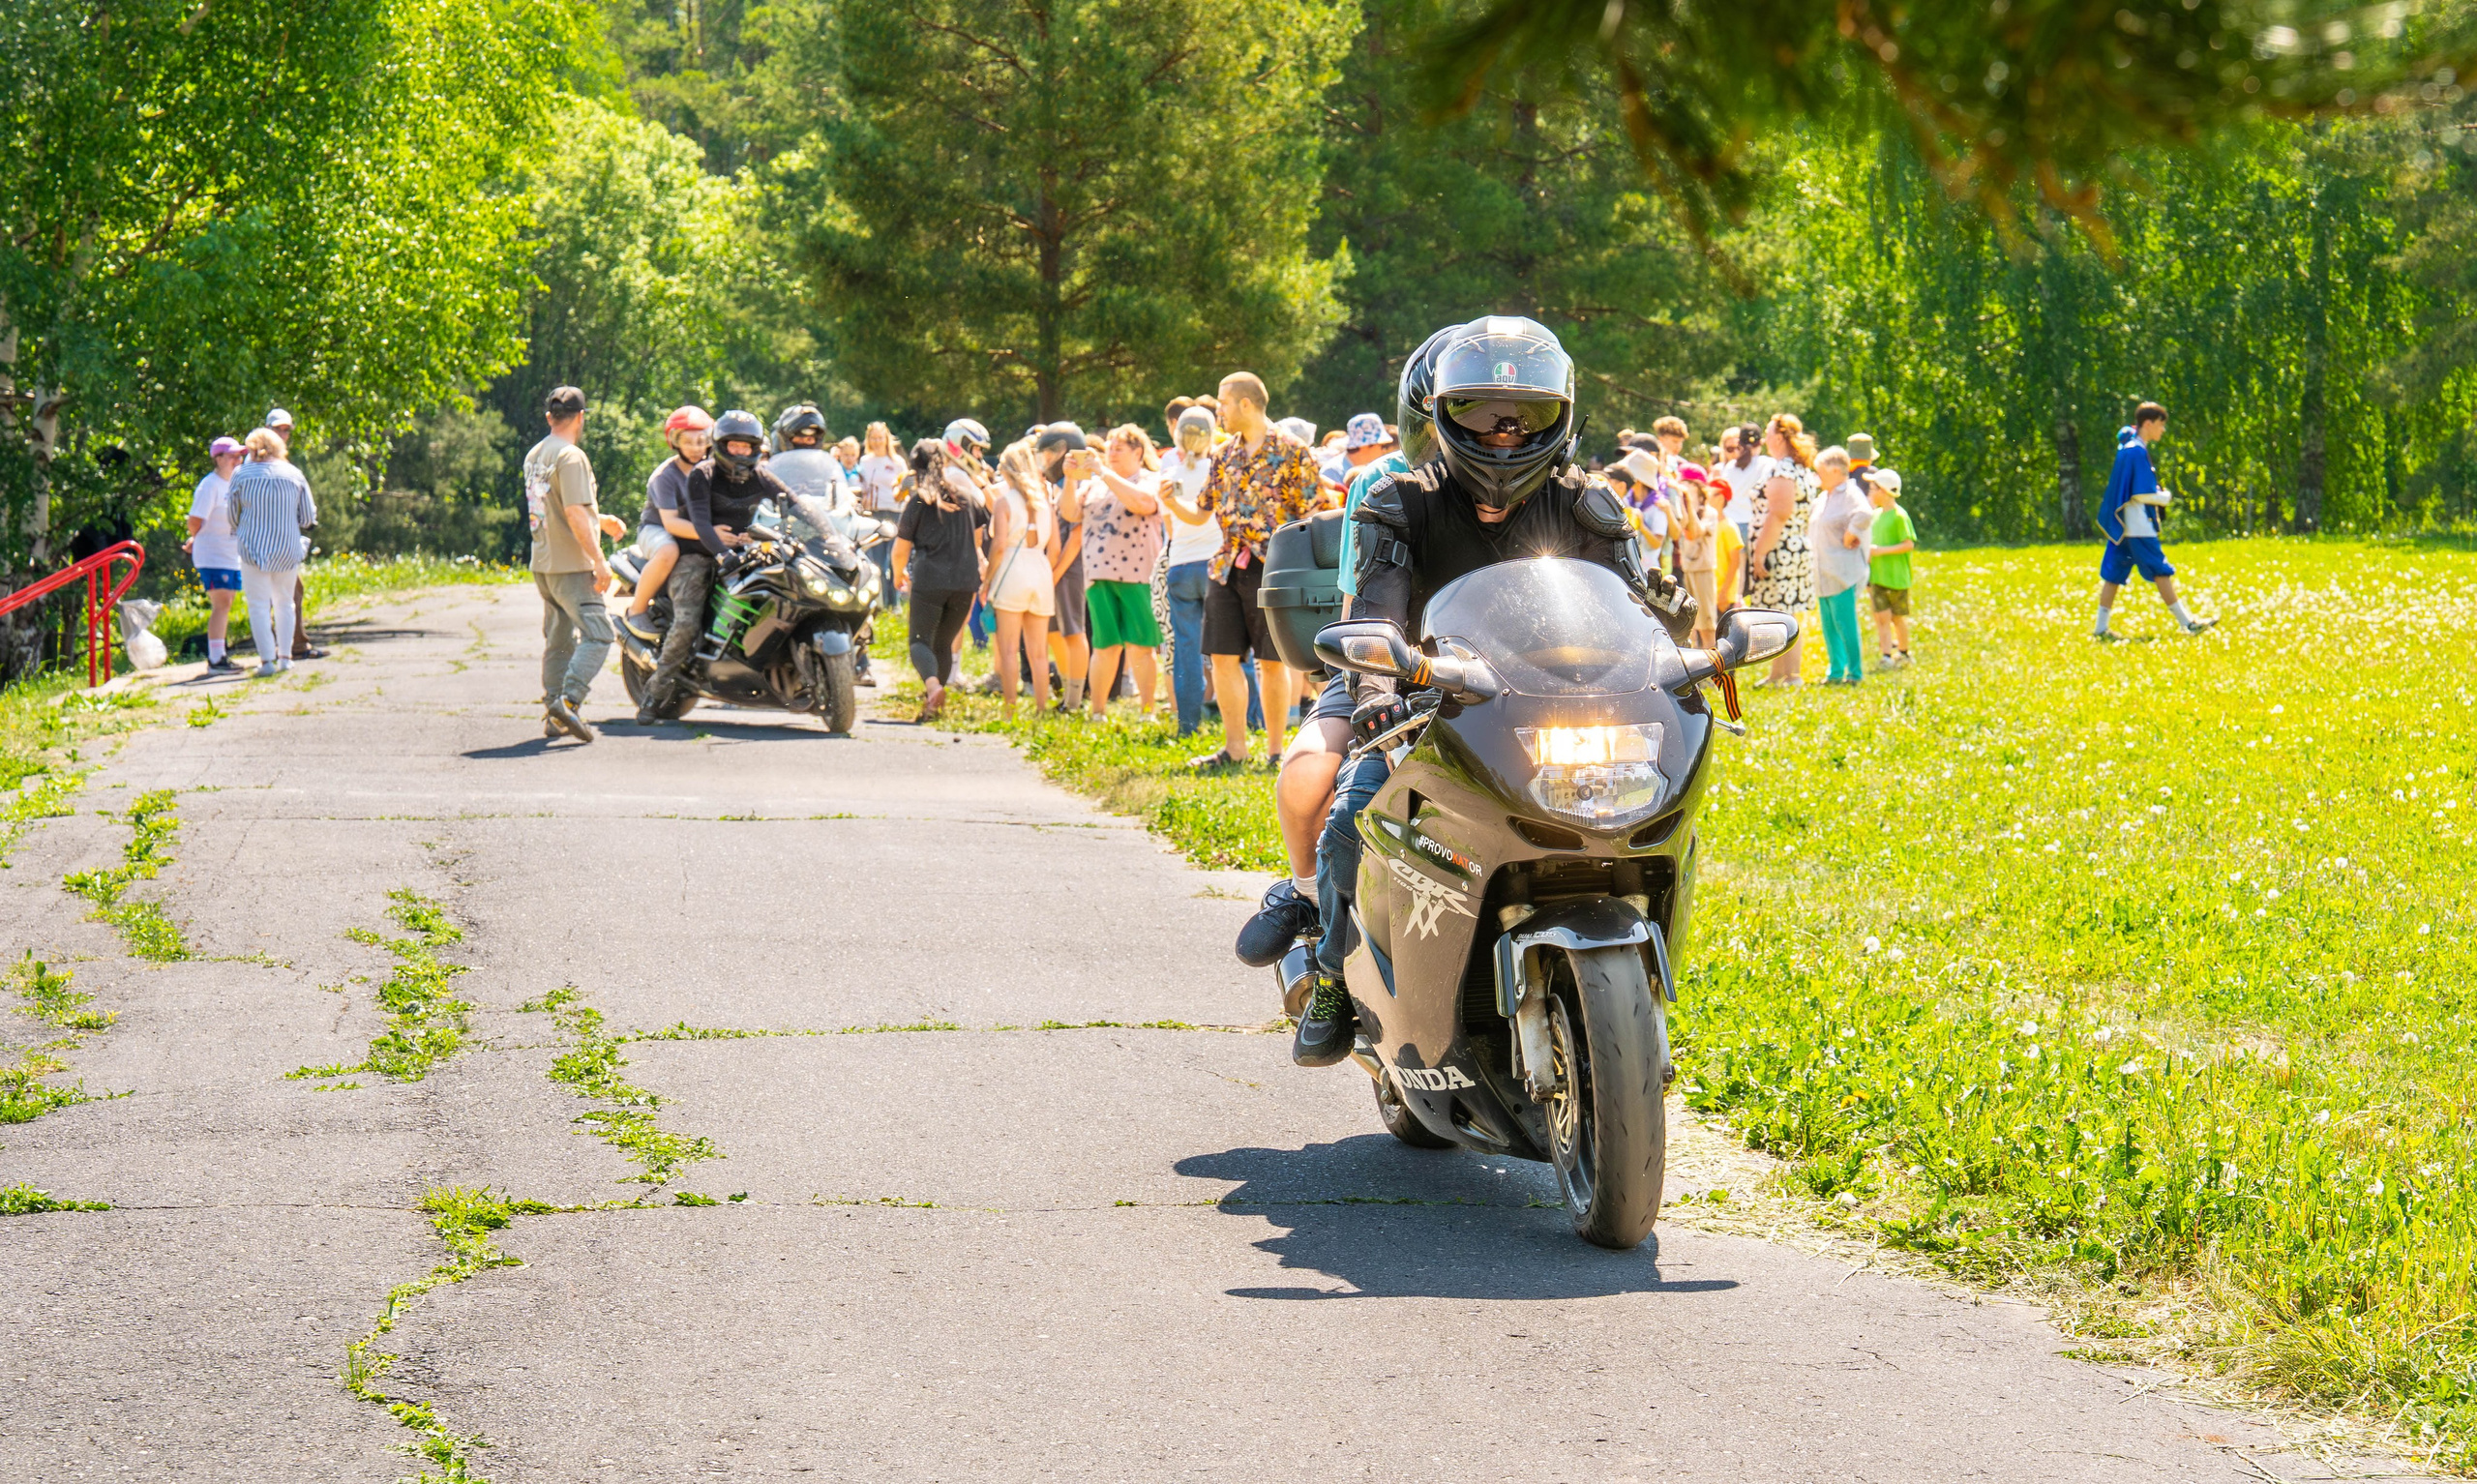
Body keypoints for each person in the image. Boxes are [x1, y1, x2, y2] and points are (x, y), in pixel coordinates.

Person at [1287, 315, 1695, 1067]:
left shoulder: (1588, 502)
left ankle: (1635, 998)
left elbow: (1638, 598)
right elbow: (1375, 606)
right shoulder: (1401, 500)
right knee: (1352, 814)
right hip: (1433, 697)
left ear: (1560, 417)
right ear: (1441, 415)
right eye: (1480, 415)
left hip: (1553, 701)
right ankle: (1332, 979)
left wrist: (1684, 642)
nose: (1504, 435)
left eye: (1525, 418)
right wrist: (1378, 682)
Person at [1237, 358, 1432, 972]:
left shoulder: (1555, 489)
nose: (1498, 432)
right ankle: (1305, 897)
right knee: (1302, 778)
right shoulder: (1381, 482)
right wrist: (1371, 677)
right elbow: (1359, 604)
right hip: (1388, 671)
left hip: (1499, 680)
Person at [1157, 371, 1321, 772]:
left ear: (1246, 404)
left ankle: (1275, 751)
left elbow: (1315, 512)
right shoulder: (1223, 454)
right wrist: (1172, 505)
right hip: (1227, 566)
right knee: (1223, 657)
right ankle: (1234, 749)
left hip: (1276, 569)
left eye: (1223, 402)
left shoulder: (1293, 451)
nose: (1218, 410)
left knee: (1271, 662)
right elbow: (1201, 512)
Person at [639, 409, 787, 724]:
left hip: (740, 550)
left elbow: (790, 501)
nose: (740, 452)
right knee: (687, 622)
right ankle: (655, 692)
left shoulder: (751, 473)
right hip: (694, 553)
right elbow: (693, 524)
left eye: (746, 446)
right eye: (733, 445)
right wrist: (718, 545)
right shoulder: (693, 475)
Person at [522, 386, 615, 742]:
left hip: (544, 563)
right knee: (600, 634)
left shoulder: (535, 455)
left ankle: (553, 714)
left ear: (549, 417)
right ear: (581, 417)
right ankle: (569, 702)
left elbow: (556, 509)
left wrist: (601, 520)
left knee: (559, 640)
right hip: (572, 566)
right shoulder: (572, 456)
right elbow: (574, 513)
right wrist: (599, 560)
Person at [2094, 402, 2215, 638]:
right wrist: (2163, 497)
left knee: (2114, 574)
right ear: (2148, 423)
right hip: (2138, 526)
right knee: (2161, 571)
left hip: (2124, 526)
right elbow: (2138, 493)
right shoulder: (2136, 450)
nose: (2163, 430)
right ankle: (2187, 623)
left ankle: (2100, 628)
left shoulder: (2128, 448)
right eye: (2160, 425)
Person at [891, 437, 989, 721]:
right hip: (965, 581)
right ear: (944, 462)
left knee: (920, 642)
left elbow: (900, 549)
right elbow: (979, 536)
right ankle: (933, 705)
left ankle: (933, 687)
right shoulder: (968, 497)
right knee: (944, 643)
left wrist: (898, 574)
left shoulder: (920, 500)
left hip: (930, 580)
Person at [1075, 426, 1166, 718]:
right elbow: (1068, 513)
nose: (1111, 453)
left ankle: (1147, 711)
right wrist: (1068, 480)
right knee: (1104, 646)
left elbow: (1143, 503)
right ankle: (1098, 712)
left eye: (1118, 448)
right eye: (1109, 447)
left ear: (1138, 452)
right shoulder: (1093, 483)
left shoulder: (1151, 480)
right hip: (1098, 576)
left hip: (1138, 575)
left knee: (1141, 646)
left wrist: (1103, 472)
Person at [224, 428, 316, 678]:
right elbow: (308, 517)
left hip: (253, 549)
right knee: (285, 603)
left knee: (258, 605)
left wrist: (242, 526)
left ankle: (266, 661)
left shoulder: (241, 474)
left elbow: (232, 515)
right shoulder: (294, 474)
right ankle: (285, 658)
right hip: (287, 549)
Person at [1157, 405, 1223, 736]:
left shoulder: (1170, 478)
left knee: (1186, 651)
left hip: (1181, 564)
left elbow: (1170, 525)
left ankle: (1187, 725)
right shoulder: (1222, 471)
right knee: (1230, 648)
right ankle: (1251, 719)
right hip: (1215, 564)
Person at [621, 406, 712, 644]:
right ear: (675, 442)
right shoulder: (665, 476)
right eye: (689, 441)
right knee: (668, 551)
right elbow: (670, 523)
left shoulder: (713, 471)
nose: (696, 448)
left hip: (697, 532)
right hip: (656, 529)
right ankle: (636, 611)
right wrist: (710, 533)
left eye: (701, 441)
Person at [984, 438, 1058, 717]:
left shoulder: (1005, 502)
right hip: (1039, 568)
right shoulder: (1045, 503)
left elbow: (999, 545)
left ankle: (1010, 708)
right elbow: (1056, 548)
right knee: (1039, 652)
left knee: (1008, 648)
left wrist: (988, 579)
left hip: (1012, 571)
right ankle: (1041, 708)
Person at [1745, 413, 1819, 687]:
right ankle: (1777, 674)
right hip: (1789, 548)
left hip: (1781, 551)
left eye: (1767, 432)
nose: (1764, 438)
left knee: (1785, 615)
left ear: (1778, 437)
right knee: (1778, 614)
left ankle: (1793, 675)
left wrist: (1760, 553)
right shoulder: (1796, 468)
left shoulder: (1783, 470)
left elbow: (1778, 514)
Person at [260, 408, 327, 661]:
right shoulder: (256, 463)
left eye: (286, 430)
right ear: (267, 429)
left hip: (276, 539)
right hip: (266, 540)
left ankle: (293, 645)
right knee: (271, 597)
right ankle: (278, 651)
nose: (283, 434)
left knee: (289, 593)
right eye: (278, 429)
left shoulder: (281, 463)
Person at [1036, 425, 1092, 711]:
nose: (1044, 460)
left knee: (1073, 631)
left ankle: (1074, 700)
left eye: (1048, 453)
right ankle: (1066, 686)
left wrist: (1055, 574)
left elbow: (1076, 538)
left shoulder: (1079, 485)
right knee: (1054, 632)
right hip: (1056, 570)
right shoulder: (1058, 486)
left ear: (1062, 452)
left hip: (1070, 570)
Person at [1808, 445, 1872, 685]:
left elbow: (1865, 514)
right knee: (1829, 626)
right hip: (1823, 573)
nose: (1818, 476)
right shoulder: (1825, 496)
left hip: (1842, 572)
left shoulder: (1850, 493)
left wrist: (1851, 534)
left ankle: (1854, 673)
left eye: (1821, 471)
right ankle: (1836, 671)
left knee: (1845, 624)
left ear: (1836, 470)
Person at [184, 436, 247, 672]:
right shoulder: (209, 485)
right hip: (213, 555)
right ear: (218, 459)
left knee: (227, 602)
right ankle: (216, 658)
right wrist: (197, 538)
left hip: (230, 554)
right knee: (221, 603)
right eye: (232, 456)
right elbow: (195, 520)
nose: (237, 460)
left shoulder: (234, 483)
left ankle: (220, 654)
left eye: (240, 456)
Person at [1865, 469, 1920, 664]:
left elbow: (1908, 544)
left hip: (1896, 578)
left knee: (1897, 618)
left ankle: (1904, 652)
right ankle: (1886, 655)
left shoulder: (1899, 516)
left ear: (1884, 491)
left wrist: (1881, 550)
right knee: (1882, 618)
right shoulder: (1875, 515)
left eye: (1874, 488)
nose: (1871, 492)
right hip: (1878, 577)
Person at [1668, 463, 1721, 647]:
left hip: (1703, 571)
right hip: (1686, 570)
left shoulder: (1710, 513)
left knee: (1707, 626)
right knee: (1690, 627)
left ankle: (1717, 672)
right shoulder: (1684, 509)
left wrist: (1688, 503)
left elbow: (1695, 531)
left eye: (1688, 484)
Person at [770, 406, 847, 511]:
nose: (806, 440)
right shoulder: (775, 467)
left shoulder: (826, 465)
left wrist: (847, 497)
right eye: (800, 436)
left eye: (811, 437)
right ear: (785, 438)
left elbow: (840, 493)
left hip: (825, 521)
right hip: (783, 521)